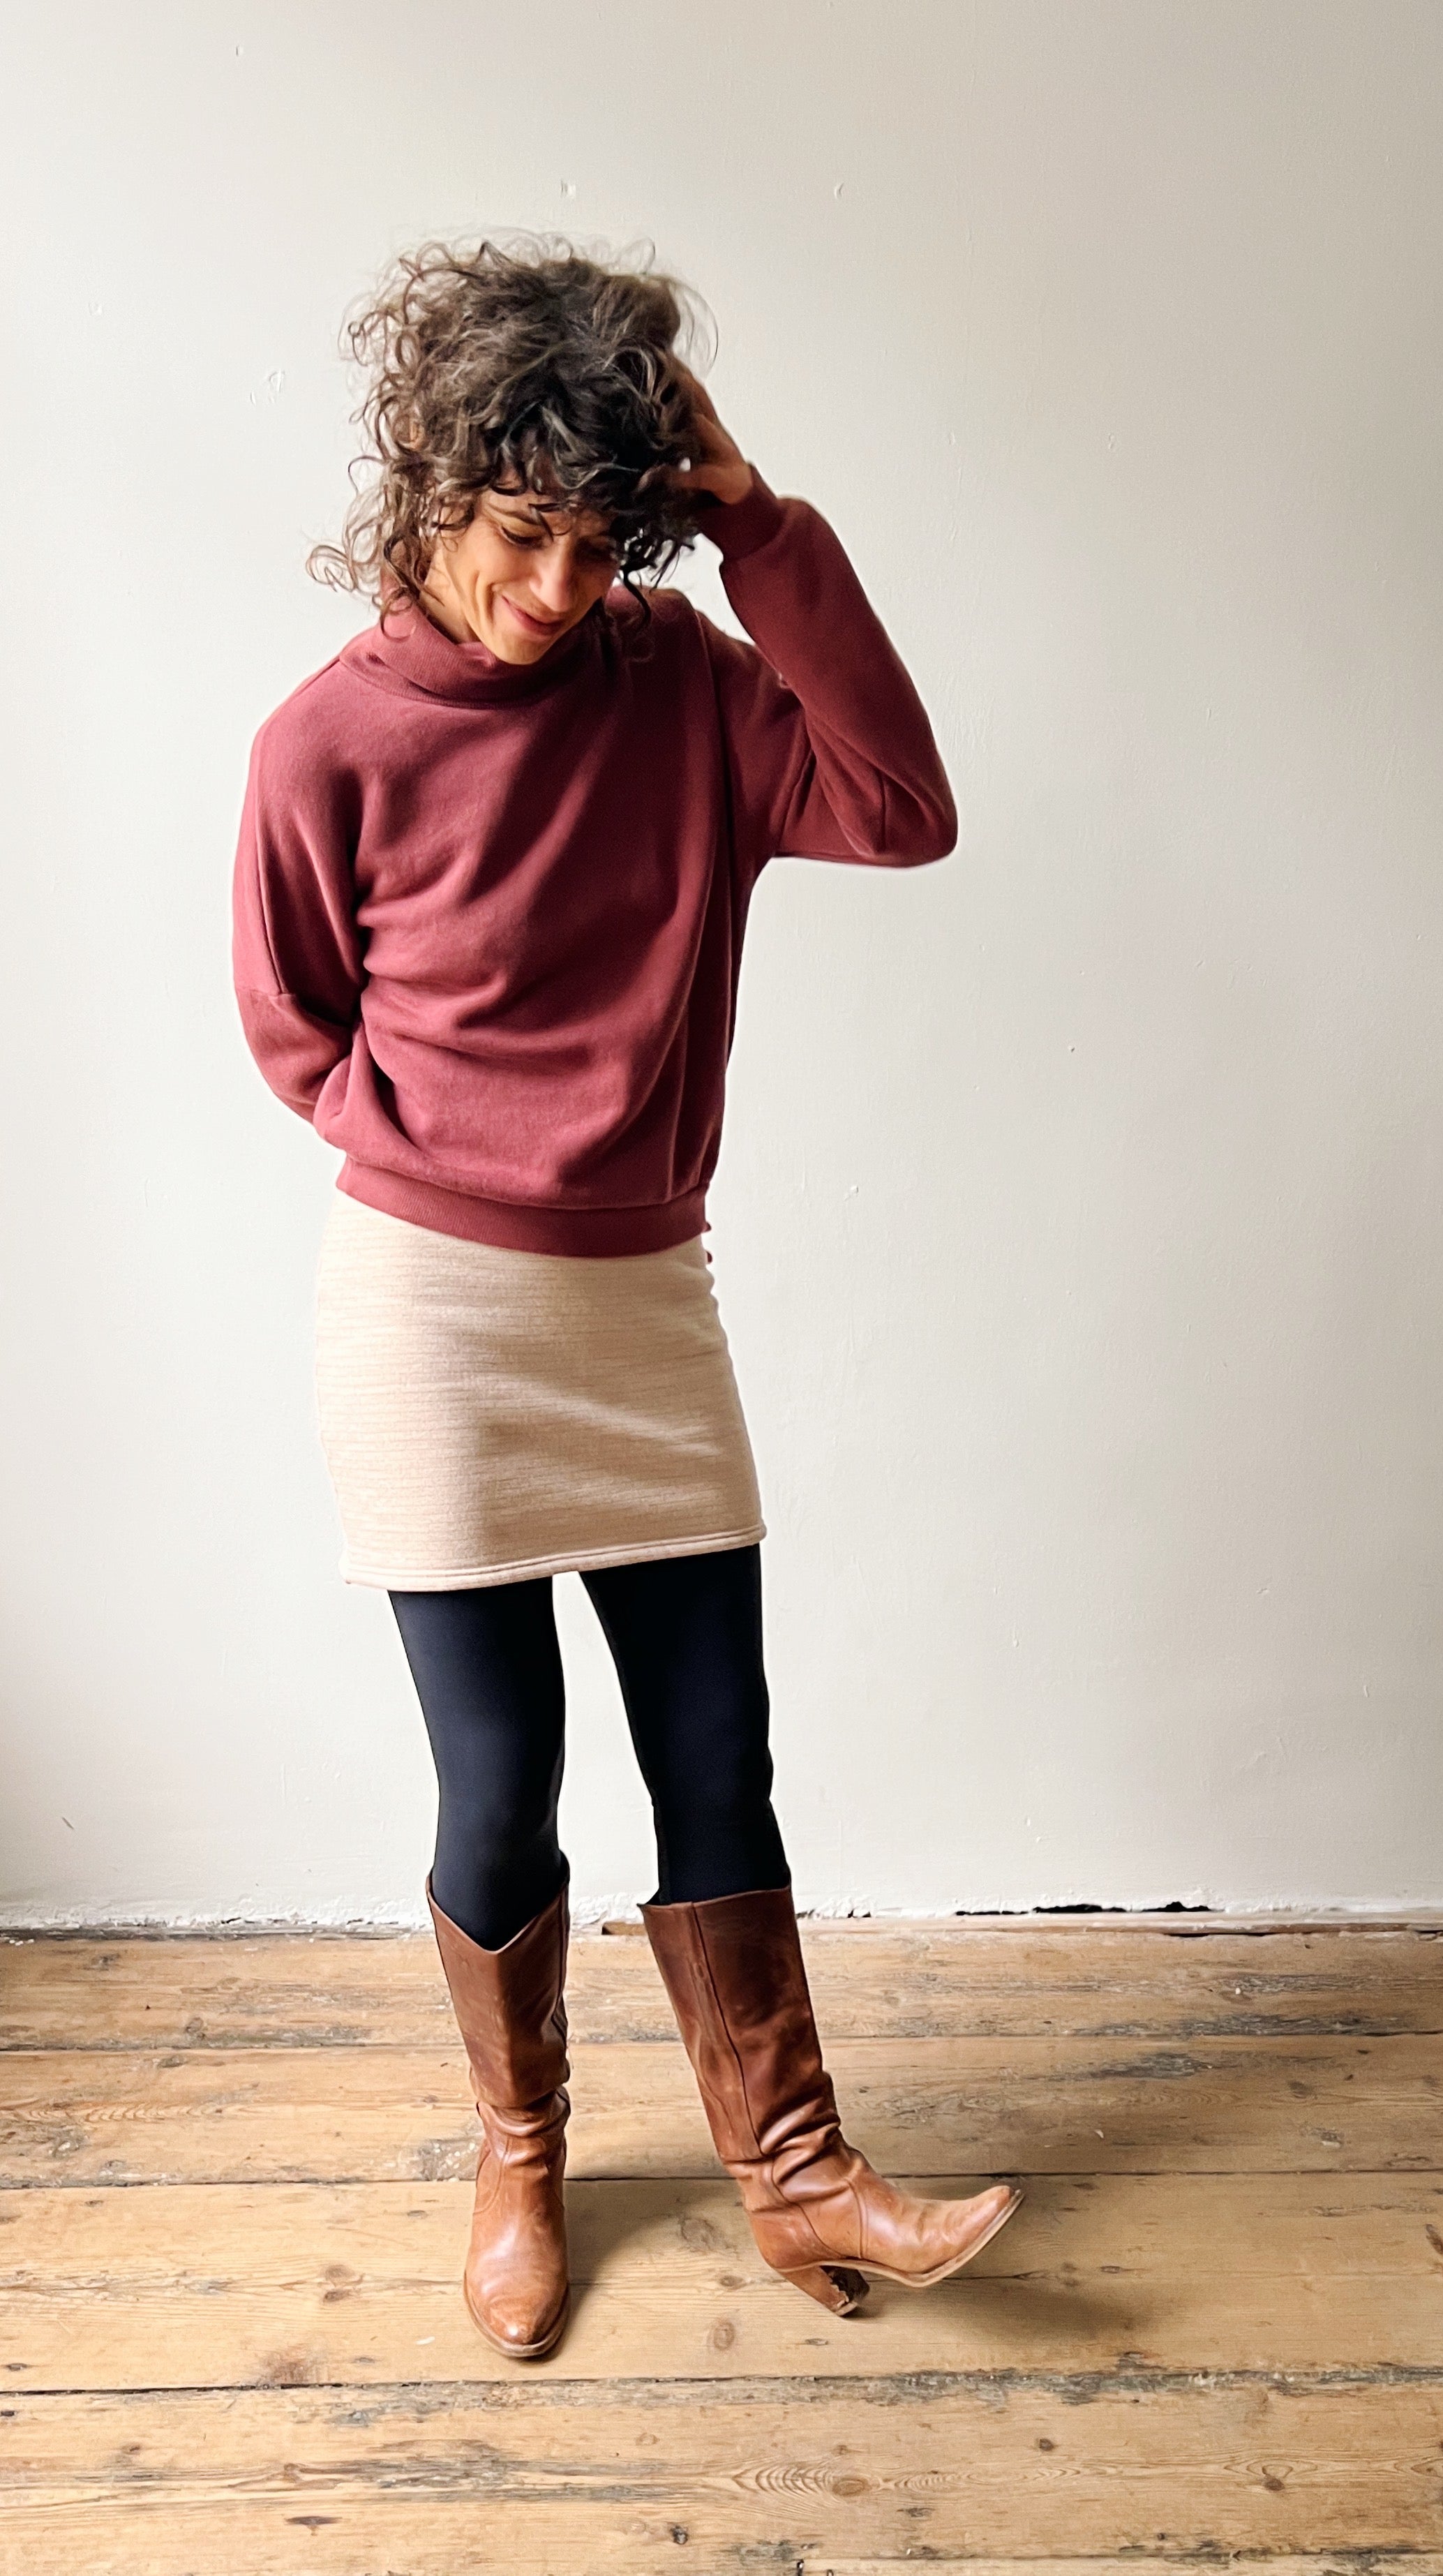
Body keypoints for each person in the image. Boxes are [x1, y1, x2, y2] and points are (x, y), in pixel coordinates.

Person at [231, 236, 1021, 2360]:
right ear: (430, 483)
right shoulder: (324, 743)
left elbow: (906, 810)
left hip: (645, 1303)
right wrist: (454, 1156)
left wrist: (760, 529)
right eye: (520, 534)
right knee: (500, 1782)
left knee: (718, 1750)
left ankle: (798, 2169)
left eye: (602, 544)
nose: (558, 587)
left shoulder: (683, 682)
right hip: (427, 1321)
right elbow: (295, 1027)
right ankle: (523, 2157)